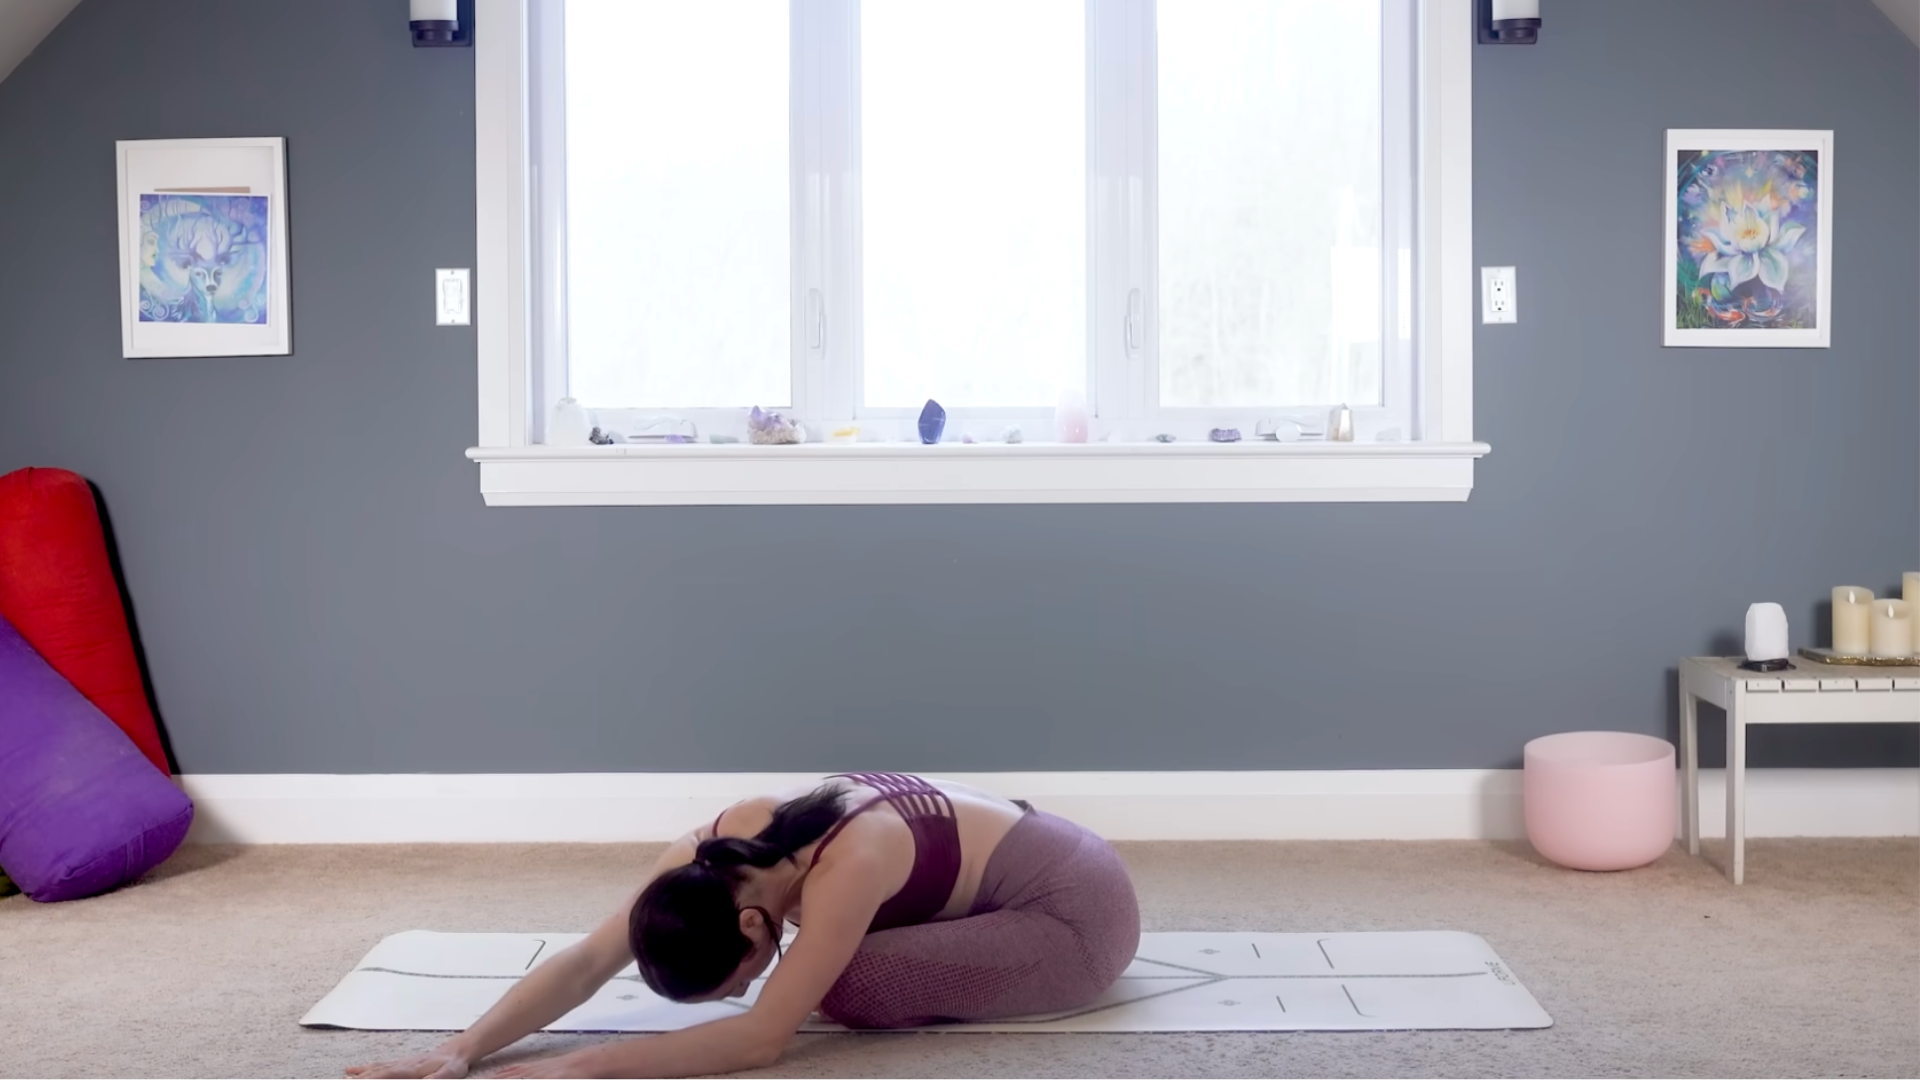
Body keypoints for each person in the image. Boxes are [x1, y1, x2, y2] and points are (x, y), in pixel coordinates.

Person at [346, 772, 1140, 1079]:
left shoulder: (849, 864)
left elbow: (764, 1039)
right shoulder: (708, 855)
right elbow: (593, 958)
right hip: (1019, 864)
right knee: (838, 963)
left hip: (1076, 911)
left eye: (738, 975)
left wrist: (577, 1069)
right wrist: (462, 1048)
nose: (747, 983)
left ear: (757, 924)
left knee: (854, 984)